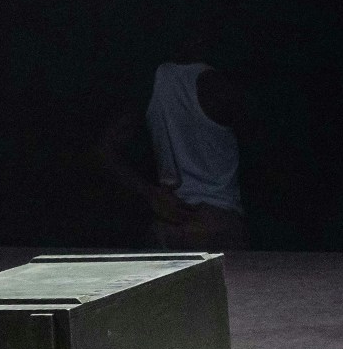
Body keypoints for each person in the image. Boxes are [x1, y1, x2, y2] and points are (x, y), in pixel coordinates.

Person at [93, 26, 251, 251]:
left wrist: (151, 195)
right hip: (218, 222)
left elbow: (105, 151)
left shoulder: (155, 83)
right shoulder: (220, 87)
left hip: (171, 223)